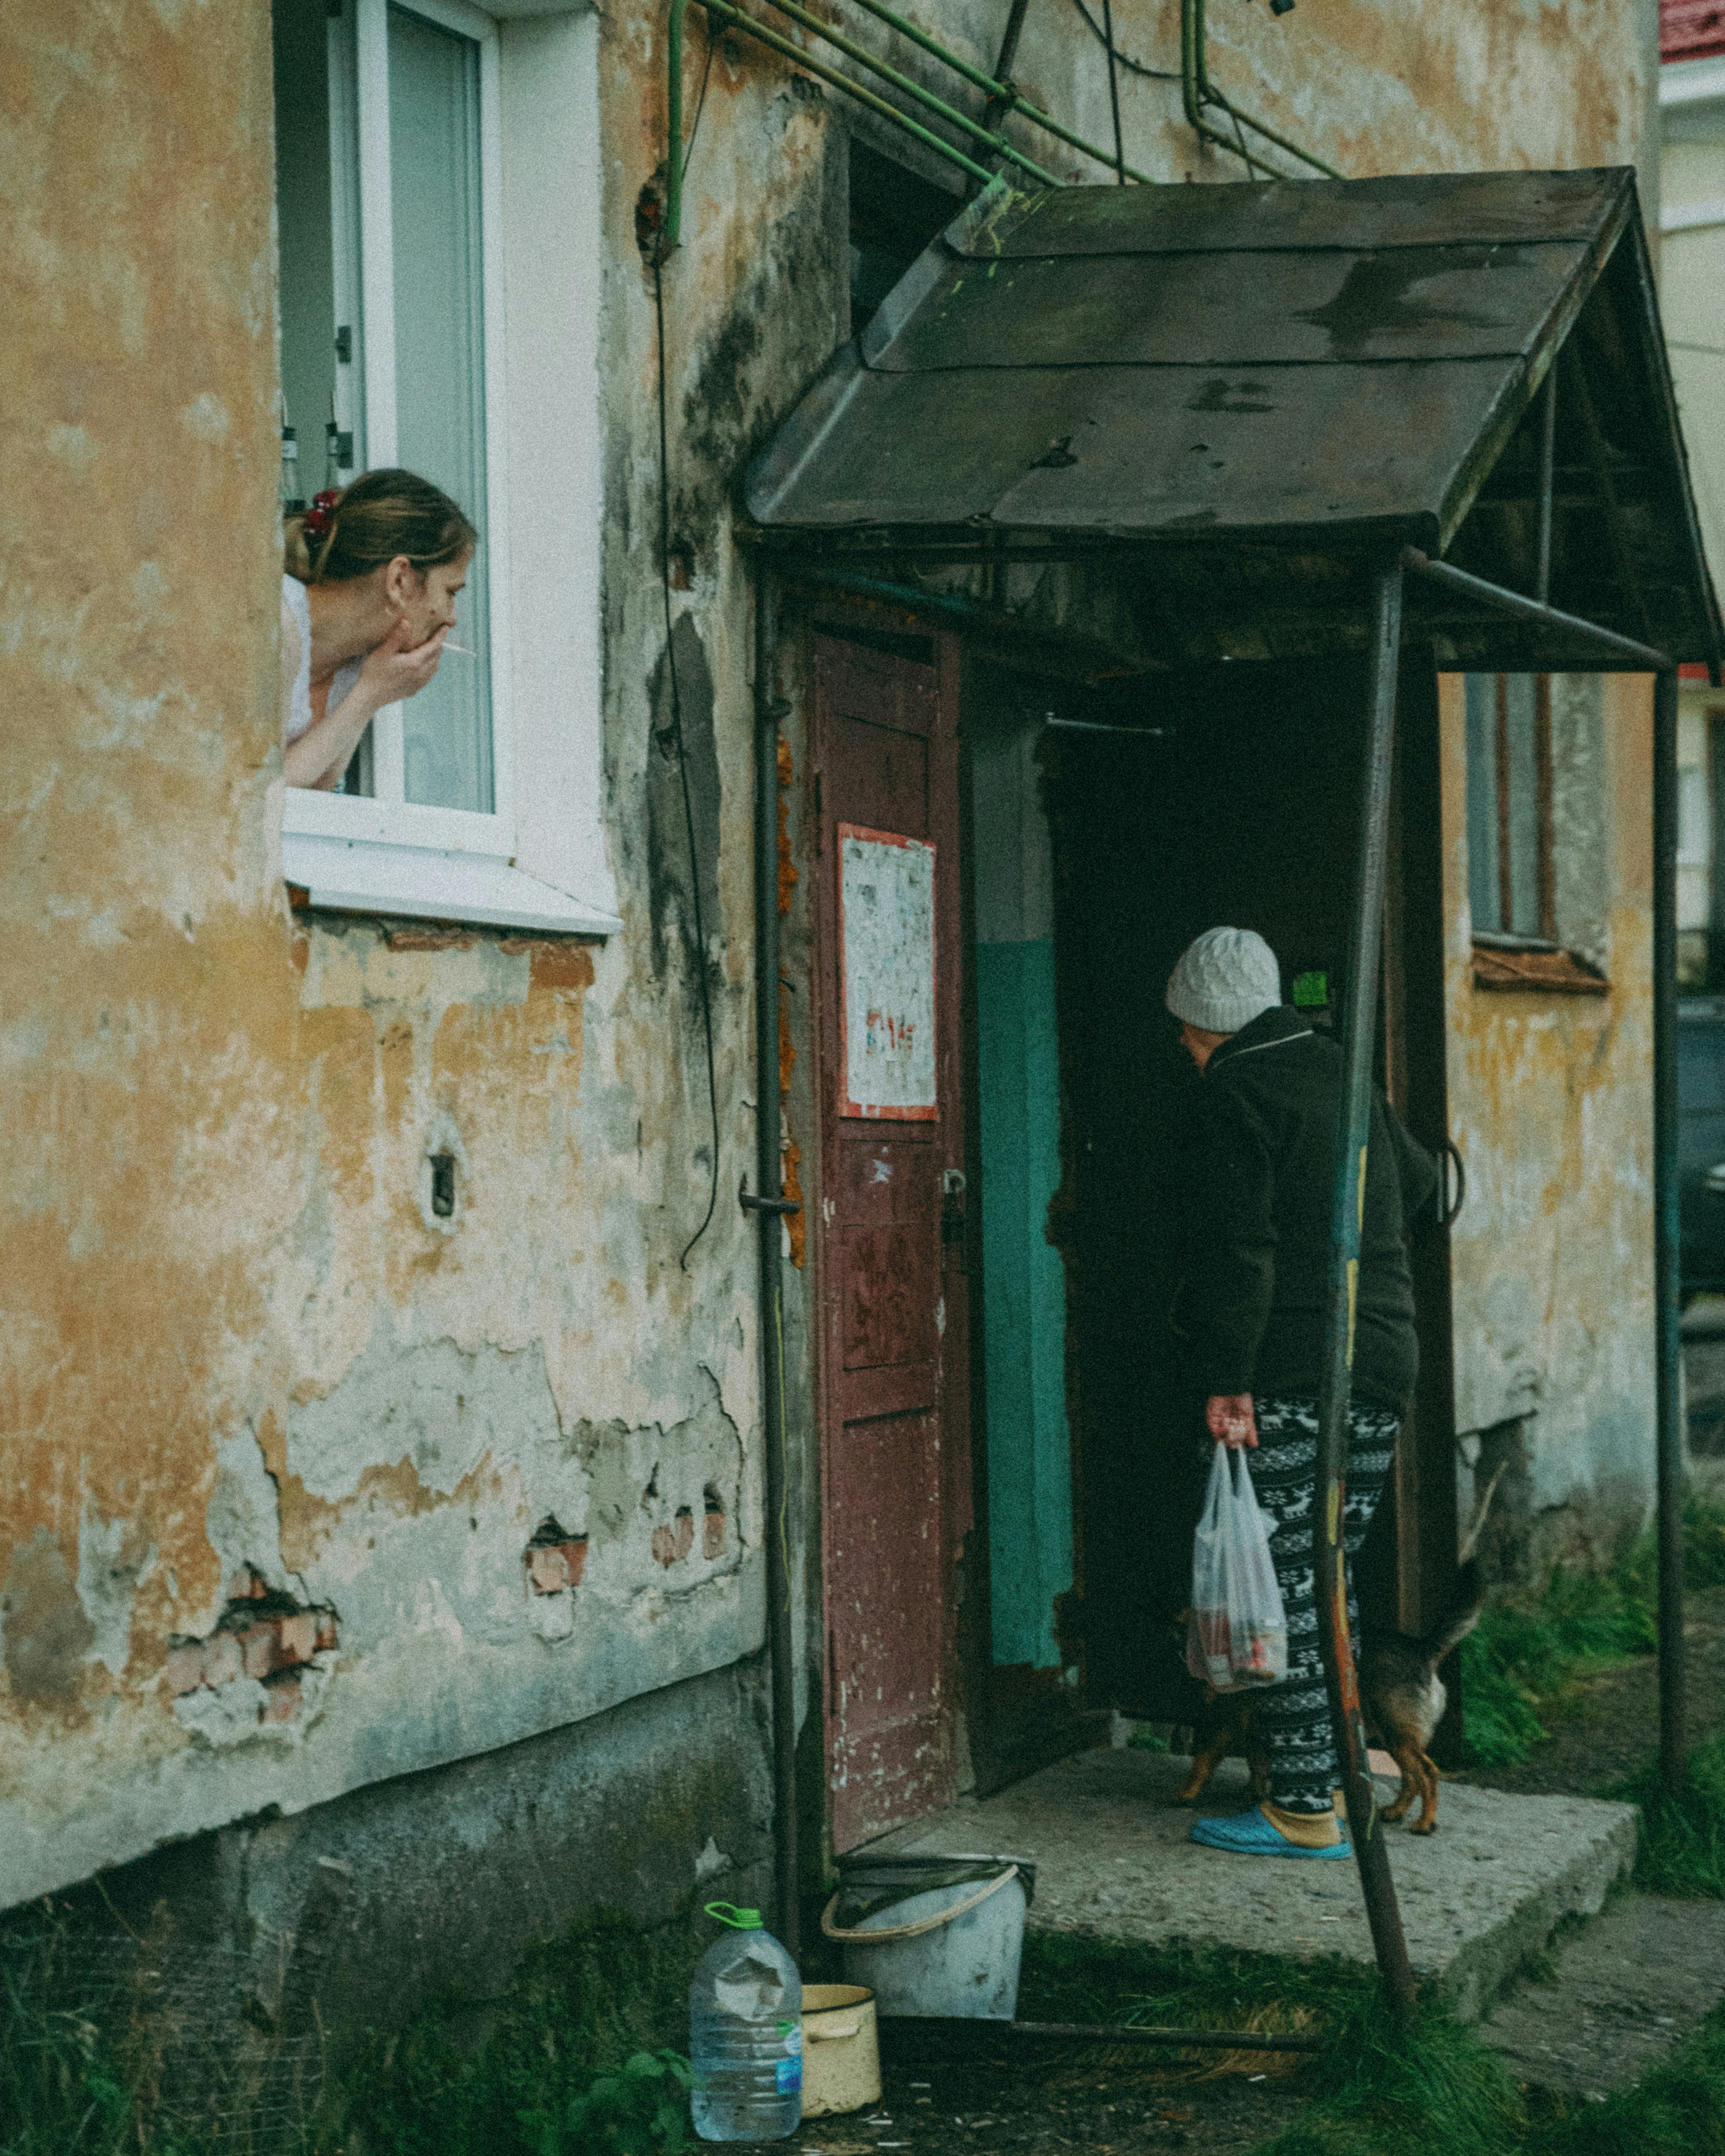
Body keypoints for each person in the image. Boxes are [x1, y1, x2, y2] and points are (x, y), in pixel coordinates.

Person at [1166, 926, 1437, 1860]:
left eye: (1188, 1029)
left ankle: (1302, 1806)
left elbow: (1237, 1251)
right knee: (1327, 1578)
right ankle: (1340, 1782)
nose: (1186, 1047)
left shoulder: (1233, 1092)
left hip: (1289, 1374)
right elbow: (1427, 1184)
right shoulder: (1345, 1073)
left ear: (1205, 1020)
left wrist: (1226, 1379)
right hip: (1380, 1362)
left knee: (1276, 1591)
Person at [280, 469, 477, 791]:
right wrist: (369, 697)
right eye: (450, 592)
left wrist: (371, 691)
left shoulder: (355, 664)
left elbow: (318, 789)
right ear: (399, 580)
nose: (452, 618)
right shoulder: (276, 623)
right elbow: (261, 799)